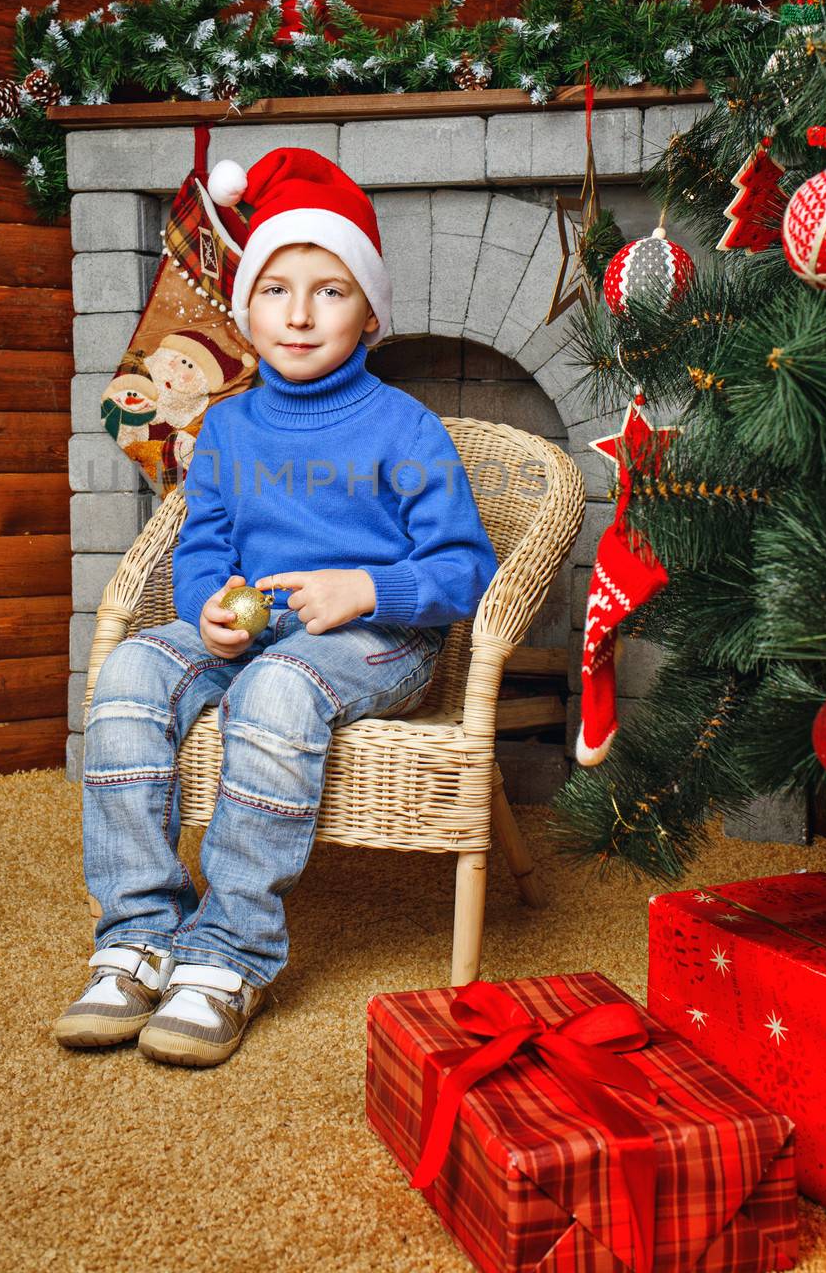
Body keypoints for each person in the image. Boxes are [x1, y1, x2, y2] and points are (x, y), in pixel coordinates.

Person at [54, 147, 499, 1067]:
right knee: (136, 664)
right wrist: (207, 606)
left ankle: (230, 952)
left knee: (282, 685)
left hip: (382, 641)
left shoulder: (403, 427)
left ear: (370, 311)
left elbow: (466, 568)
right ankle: (137, 932)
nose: (299, 314)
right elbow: (205, 543)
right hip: (256, 627)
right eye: (276, 289)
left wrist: (370, 588)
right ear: (246, 307)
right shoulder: (230, 425)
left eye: (329, 291)